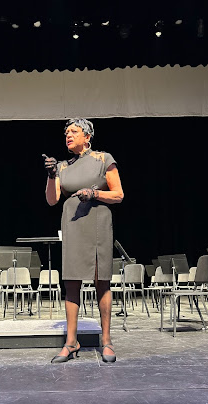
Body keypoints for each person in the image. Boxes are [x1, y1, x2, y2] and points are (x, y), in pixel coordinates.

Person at [44, 118, 124, 363]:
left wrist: (94, 193)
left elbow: (119, 194)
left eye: (74, 132)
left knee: (102, 281)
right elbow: (51, 200)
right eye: (66, 132)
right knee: (71, 284)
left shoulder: (103, 159)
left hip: (98, 223)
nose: (68, 135)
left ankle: (107, 341)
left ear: (87, 136)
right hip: (73, 225)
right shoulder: (62, 167)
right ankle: (71, 342)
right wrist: (50, 176)